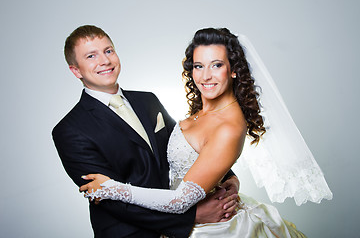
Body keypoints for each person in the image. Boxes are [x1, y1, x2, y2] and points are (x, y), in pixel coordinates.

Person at [81, 28, 332, 237]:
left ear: (233, 69)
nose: (206, 76)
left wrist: (112, 188)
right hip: (178, 222)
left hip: (212, 226)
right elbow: (200, 156)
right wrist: (228, 176)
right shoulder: (202, 111)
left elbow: (180, 201)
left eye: (217, 65)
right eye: (199, 66)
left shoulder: (229, 126)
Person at [52, 25, 240, 238]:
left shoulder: (147, 100)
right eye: (91, 56)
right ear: (75, 70)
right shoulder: (70, 130)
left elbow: (184, 146)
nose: (104, 61)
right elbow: (108, 198)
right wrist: (191, 217)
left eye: (108, 51)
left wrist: (228, 176)